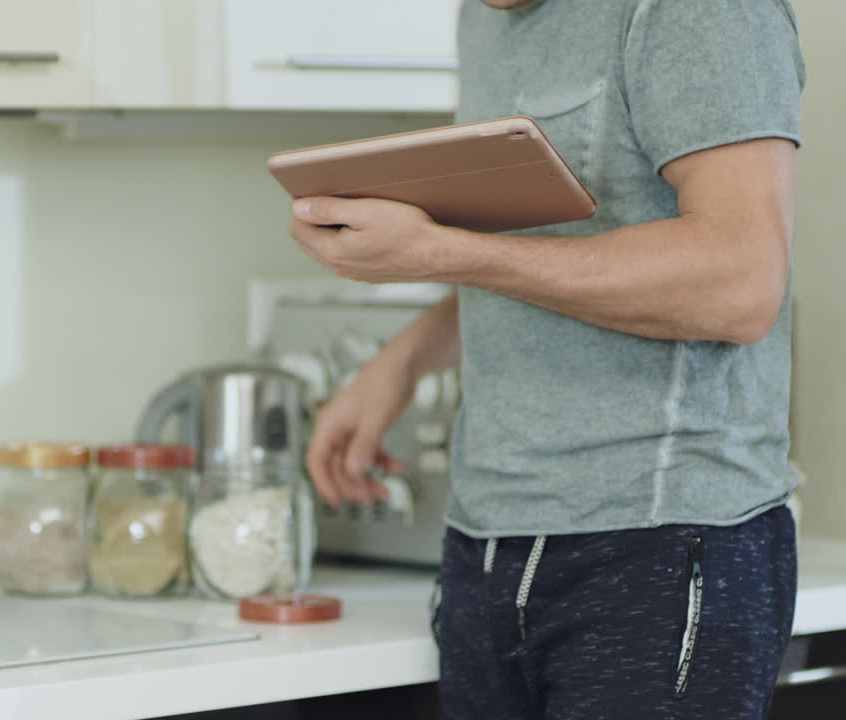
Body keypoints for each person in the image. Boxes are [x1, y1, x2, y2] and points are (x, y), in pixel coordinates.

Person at [288, 0, 805, 717]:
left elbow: (740, 281)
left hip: (659, 542)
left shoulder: (699, 11)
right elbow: (544, 257)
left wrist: (441, 252)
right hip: (486, 542)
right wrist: (402, 362)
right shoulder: (483, 17)